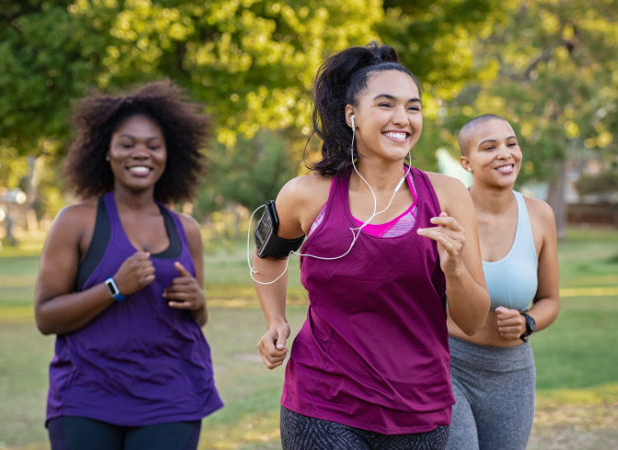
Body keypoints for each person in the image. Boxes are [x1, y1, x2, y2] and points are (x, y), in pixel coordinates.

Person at [251, 42, 490, 450]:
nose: (403, 119)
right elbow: (266, 252)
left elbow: (472, 320)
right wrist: (274, 320)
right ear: (352, 116)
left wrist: (455, 270)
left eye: (413, 108)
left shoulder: (448, 195)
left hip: (418, 408)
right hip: (322, 403)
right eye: (386, 104)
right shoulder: (306, 195)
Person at [33, 81, 222, 450]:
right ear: (105, 151)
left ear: (169, 155)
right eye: (127, 144)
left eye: (153, 146)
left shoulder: (187, 230)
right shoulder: (76, 222)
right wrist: (114, 288)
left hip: (172, 396)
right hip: (87, 397)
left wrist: (198, 302)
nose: (141, 154)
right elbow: (45, 317)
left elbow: (196, 319)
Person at [446, 114, 561, 450]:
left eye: (511, 143)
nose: (505, 153)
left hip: (513, 372)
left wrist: (528, 321)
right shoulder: (445, 214)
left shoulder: (540, 215)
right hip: (450, 366)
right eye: (490, 147)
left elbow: (550, 300)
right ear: (466, 162)